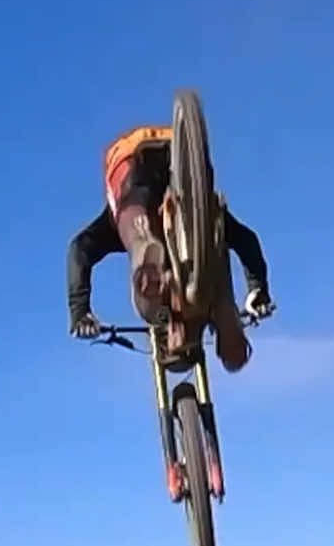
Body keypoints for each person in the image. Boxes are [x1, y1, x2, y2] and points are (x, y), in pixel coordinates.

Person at [66, 122, 275, 372]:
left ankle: (144, 245)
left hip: (136, 159)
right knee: (213, 236)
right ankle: (221, 308)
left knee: (134, 213)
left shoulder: (154, 308)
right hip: (177, 153)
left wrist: (80, 314)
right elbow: (246, 239)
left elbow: (80, 248)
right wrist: (258, 291)